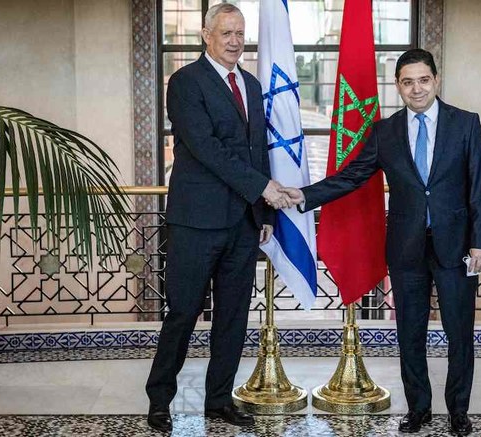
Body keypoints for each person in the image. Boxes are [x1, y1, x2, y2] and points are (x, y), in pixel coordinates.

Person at [282, 49, 481, 436]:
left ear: (436, 79)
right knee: (409, 332)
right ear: (398, 86)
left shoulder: (465, 124)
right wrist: (305, 195)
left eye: (423, 80)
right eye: (408, 82)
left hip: (456, 247)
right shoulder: (386, 131)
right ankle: (419, 409)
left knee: (459, 333)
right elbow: (352, 176)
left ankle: (458, 411)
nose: (417, 88)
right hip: (406, 248)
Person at [145, 3, 291, 433]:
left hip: (243, 223)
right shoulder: (185, 83)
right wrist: (262, 188)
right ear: (206, 36)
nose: (234, 41)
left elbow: (258, 151)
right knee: (183, 313)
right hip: (195, 223)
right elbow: (207, 149)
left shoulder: (250, 84)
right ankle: (159, 401)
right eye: (226, 33)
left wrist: (262, 211)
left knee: (233, 317)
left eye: (239, 33)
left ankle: (218, 400)